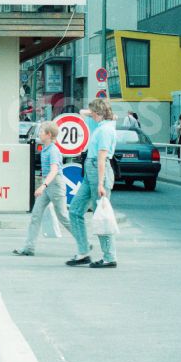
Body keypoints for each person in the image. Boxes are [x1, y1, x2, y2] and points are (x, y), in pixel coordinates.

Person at [67, 98, 118, 269]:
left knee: (101, 215)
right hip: (92, 170)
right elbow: (83, 113)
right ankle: (83, 252)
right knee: (75, 210)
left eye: (94, 113)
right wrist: (97, 110)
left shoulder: (105, 130)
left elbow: (102, 157)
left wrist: (101, 184)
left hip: (98, 170)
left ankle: (109, 257)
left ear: (98, 113)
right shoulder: (103, 125)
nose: (91, 115)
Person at [13, 121, 71, 256]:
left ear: (49, 134)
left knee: (63, 217)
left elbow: (54, 170)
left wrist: (42, 186)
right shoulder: (46, 148)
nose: (39, 133)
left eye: (41, 131)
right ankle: (29, 248)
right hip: (48, 183)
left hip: (55, 184)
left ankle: (84, 242)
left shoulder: (53, 150)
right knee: (36, 215)